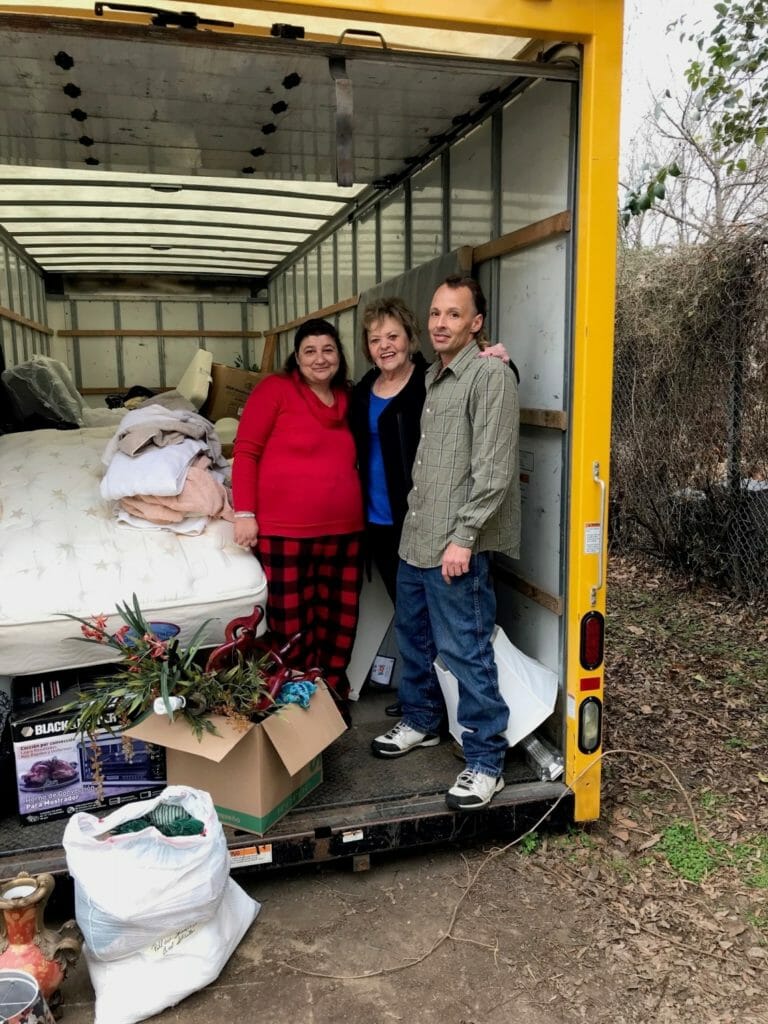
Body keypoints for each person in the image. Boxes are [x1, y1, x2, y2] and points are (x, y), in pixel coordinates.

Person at [370, 275, 521, 812]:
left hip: (456, 547)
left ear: (476, 323)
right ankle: (423, 720)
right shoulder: (435, 377)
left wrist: (464, 538)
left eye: (454, 314)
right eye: (435, 313)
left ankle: (485, 763)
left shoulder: (490, 376)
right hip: (417, 538)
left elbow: (495, 470)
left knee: (466, 650)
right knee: (415, 640)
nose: (440, 323)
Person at [349, 296, 516, 715]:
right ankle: (422, 706)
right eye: (375, 339)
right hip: (386, 525)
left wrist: (502, 361)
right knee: (412, 626)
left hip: (436, 525)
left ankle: (459, 721)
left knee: (454, 633)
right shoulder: (361, 390)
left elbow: (482, 389)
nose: (385, 345)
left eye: (393, 337)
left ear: (410, 339)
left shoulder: (428, 380)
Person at [231, 318, 364, 704]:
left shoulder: (350, 396)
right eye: (310, 350)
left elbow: (404, 379)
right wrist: (244, 513)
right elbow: (246, 451)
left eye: (328, 349)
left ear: (339, 354)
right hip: (284, 531)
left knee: (340, 618)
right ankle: (296, 696)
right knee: (291, 622)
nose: (320, 358)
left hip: (345, 530)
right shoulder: (275, 390)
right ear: (297, 356)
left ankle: (331, 693)